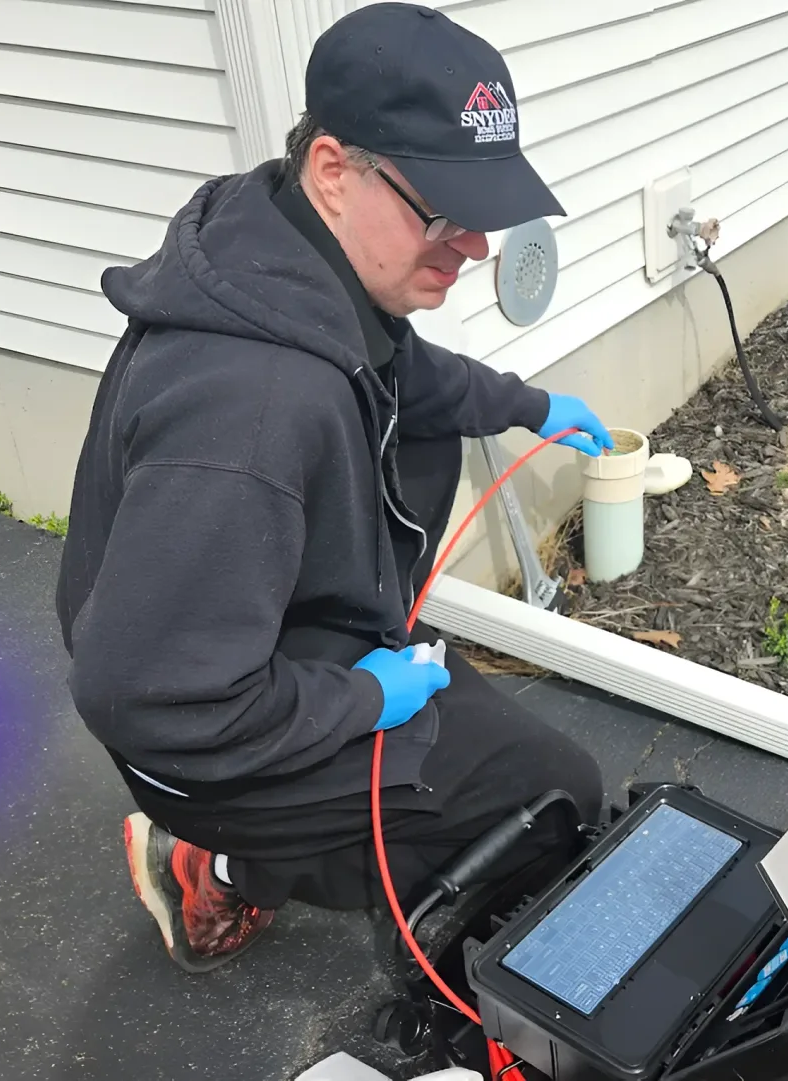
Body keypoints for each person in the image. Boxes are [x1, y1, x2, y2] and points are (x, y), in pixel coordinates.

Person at [54, 2, 608, 974]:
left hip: (238, 633)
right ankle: (226, 857)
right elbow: (143, 698)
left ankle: (220, 866)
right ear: (332, 170)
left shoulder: (293, 250)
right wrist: (358, 697)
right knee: (545, 798)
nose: (473, 246)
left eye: (480, 212)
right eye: (441, 210)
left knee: (500, 755)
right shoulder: (251, 407)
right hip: (187, 725)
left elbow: (411, 378)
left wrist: (531, 402)